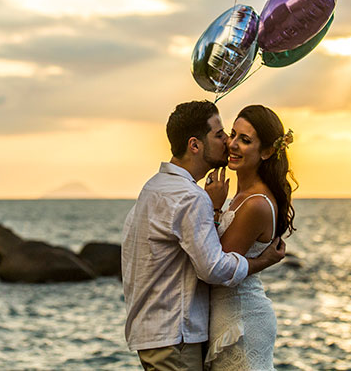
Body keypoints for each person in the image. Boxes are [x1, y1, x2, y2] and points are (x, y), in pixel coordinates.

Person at [122, 100, 286, 371]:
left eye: (237, 137)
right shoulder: (191, 196)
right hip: (177, 335)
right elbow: (214, 268)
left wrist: (214, 209)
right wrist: (262, 262)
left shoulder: (153, 188)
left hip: (166, 332)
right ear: (195, 145)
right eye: (222, 134)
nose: (228, 143)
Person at [205, 104, 296, 371]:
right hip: (227, 315)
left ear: (267, 151)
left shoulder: (256, 203)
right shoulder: (241, 197)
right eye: (233, 135)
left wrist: (213, 208)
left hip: (242, 318)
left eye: (244, 140)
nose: (232, 144)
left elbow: (216, 267)